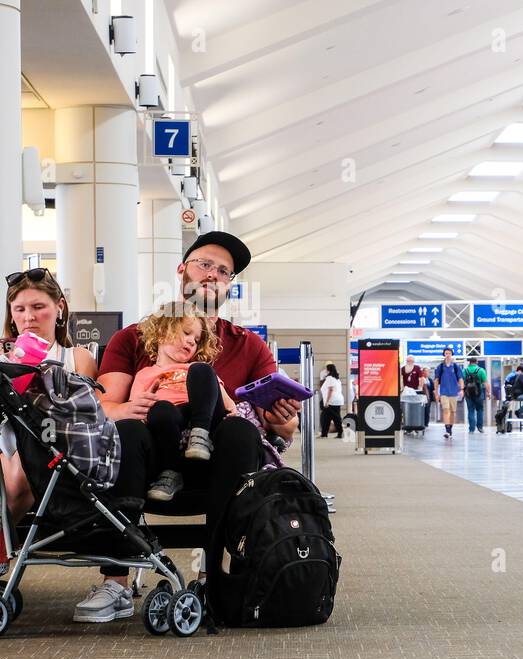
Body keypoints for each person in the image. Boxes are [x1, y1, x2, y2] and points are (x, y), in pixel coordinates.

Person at [87, 230, 299, 624]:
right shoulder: (132, 338)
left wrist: (282, 418)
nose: (213, 274)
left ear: (229, 286)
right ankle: (115, 579)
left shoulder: (249, 345)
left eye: (224, 271)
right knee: (130, 430)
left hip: (218, 463)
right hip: (152, 461)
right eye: (205, 264)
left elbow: (285, 430)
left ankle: (217, 577)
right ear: (182, 270)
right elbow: (104, 406)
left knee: (240, 432)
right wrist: (134, 404)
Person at [0, 268, 99, 518]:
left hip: (52, 439)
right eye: (19, 309)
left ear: (59, 308)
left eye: (38, 306)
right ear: (11, 315)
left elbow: (87, 415)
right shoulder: (1, 359)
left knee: (19, 476)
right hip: (5, 438)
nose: (29, 317)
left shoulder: (77, 358)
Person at [126, 302, 236, 504]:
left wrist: (232, 408)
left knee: (202, 370)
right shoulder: (145, 373)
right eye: (186, 333)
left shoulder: (195, 368)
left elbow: (222, 398)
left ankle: (199, 435)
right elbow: (136, 407)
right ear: (160, 333)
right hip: (169, 421)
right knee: (161, 410)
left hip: (202, 416)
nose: (190, 342)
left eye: (195, 340)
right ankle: (171, 472)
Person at [432, 347, 463, 440]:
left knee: (453, 412)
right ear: (444, 354)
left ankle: (450, 429)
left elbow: (460, 379)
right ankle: (447, 430)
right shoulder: (440, 367)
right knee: (446, 410)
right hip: (444, 392)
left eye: (449, 353)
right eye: (446, 353)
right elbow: (436, 380)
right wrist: (436, 392)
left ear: (451, 354)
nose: (448, 355)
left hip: (454, 392)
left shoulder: (456, 367)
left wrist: (462, 389)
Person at [320, 363, 345, 438]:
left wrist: (327, 402)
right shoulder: (337, 378)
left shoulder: (330, 378)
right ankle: (325, 434)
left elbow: (330, 390)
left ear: (328, 370)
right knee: (327, 418)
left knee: (332, 418)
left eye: (326, 369)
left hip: (332, 401)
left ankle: (339, 433)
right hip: (337, 400)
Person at [463, 358, 487, 433]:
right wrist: (488, 393)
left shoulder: (465, 371)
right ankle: (480, 427)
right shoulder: (481, 370)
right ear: (476, 362)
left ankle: (471, 429)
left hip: (468, 393)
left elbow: (461, 382)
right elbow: (486, 383)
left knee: (470, 410)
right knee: (480, 410)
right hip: (478, 393)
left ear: (469, 362)